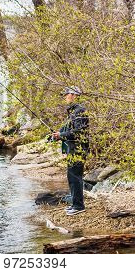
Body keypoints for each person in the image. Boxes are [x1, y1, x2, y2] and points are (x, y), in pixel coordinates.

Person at [52, 87, 89, 216]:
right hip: (73, 148)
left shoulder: (80, 111)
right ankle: (75, 204)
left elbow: (79, 132)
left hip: (78, 149)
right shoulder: (73, 112)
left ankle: (79, 206)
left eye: (66, 95)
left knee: (75, 177)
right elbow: (69, 130)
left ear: (74, 95)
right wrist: (58, 134)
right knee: (71, 176)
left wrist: (61, 135)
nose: (65, 97)